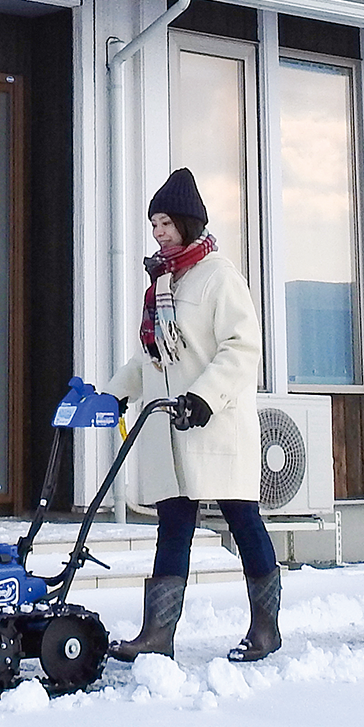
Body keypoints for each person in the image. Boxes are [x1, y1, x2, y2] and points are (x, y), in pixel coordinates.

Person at [104, 167, 281, 663]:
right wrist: (115, 395)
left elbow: (242, 348)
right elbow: (150, 358)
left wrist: (203, 398)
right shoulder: (163, 282)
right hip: (171, 427)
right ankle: (158, 634)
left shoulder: (219, 276)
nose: (158, 232)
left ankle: (266, 630)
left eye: (165, 223)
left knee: (242, 520)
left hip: (214, 423)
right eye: (153, 223)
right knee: (172, 525)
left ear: (187, 223)